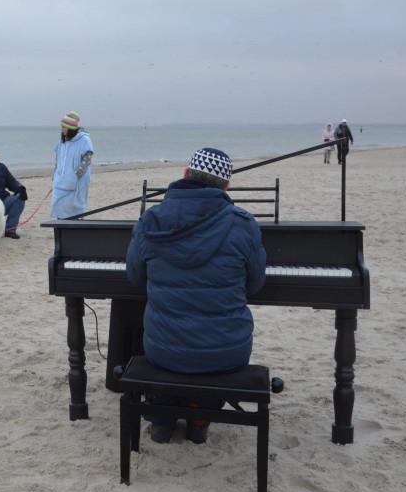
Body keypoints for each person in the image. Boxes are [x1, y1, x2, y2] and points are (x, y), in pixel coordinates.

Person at [126, 147, 267, 444]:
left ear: (186, 175)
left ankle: (162, 418)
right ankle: (200, 415)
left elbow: (136, 277)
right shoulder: (243, 225)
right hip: (228, 351)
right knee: (209, 347)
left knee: (166, 343)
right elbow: (254, 284)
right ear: (226, 186)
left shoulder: (150, 220)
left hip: (162, 349)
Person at [51, 111, 94, 218]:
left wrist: (74, 174)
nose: (62, 129)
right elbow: (58, 159)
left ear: (70, 128)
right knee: (59, 206)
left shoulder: (84, 140)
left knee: (74, 209)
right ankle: (61, 228)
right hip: (61, 181)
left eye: (63, 126)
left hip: (77, 182)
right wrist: (56, 174)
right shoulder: (62, 141)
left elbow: (87, 159)